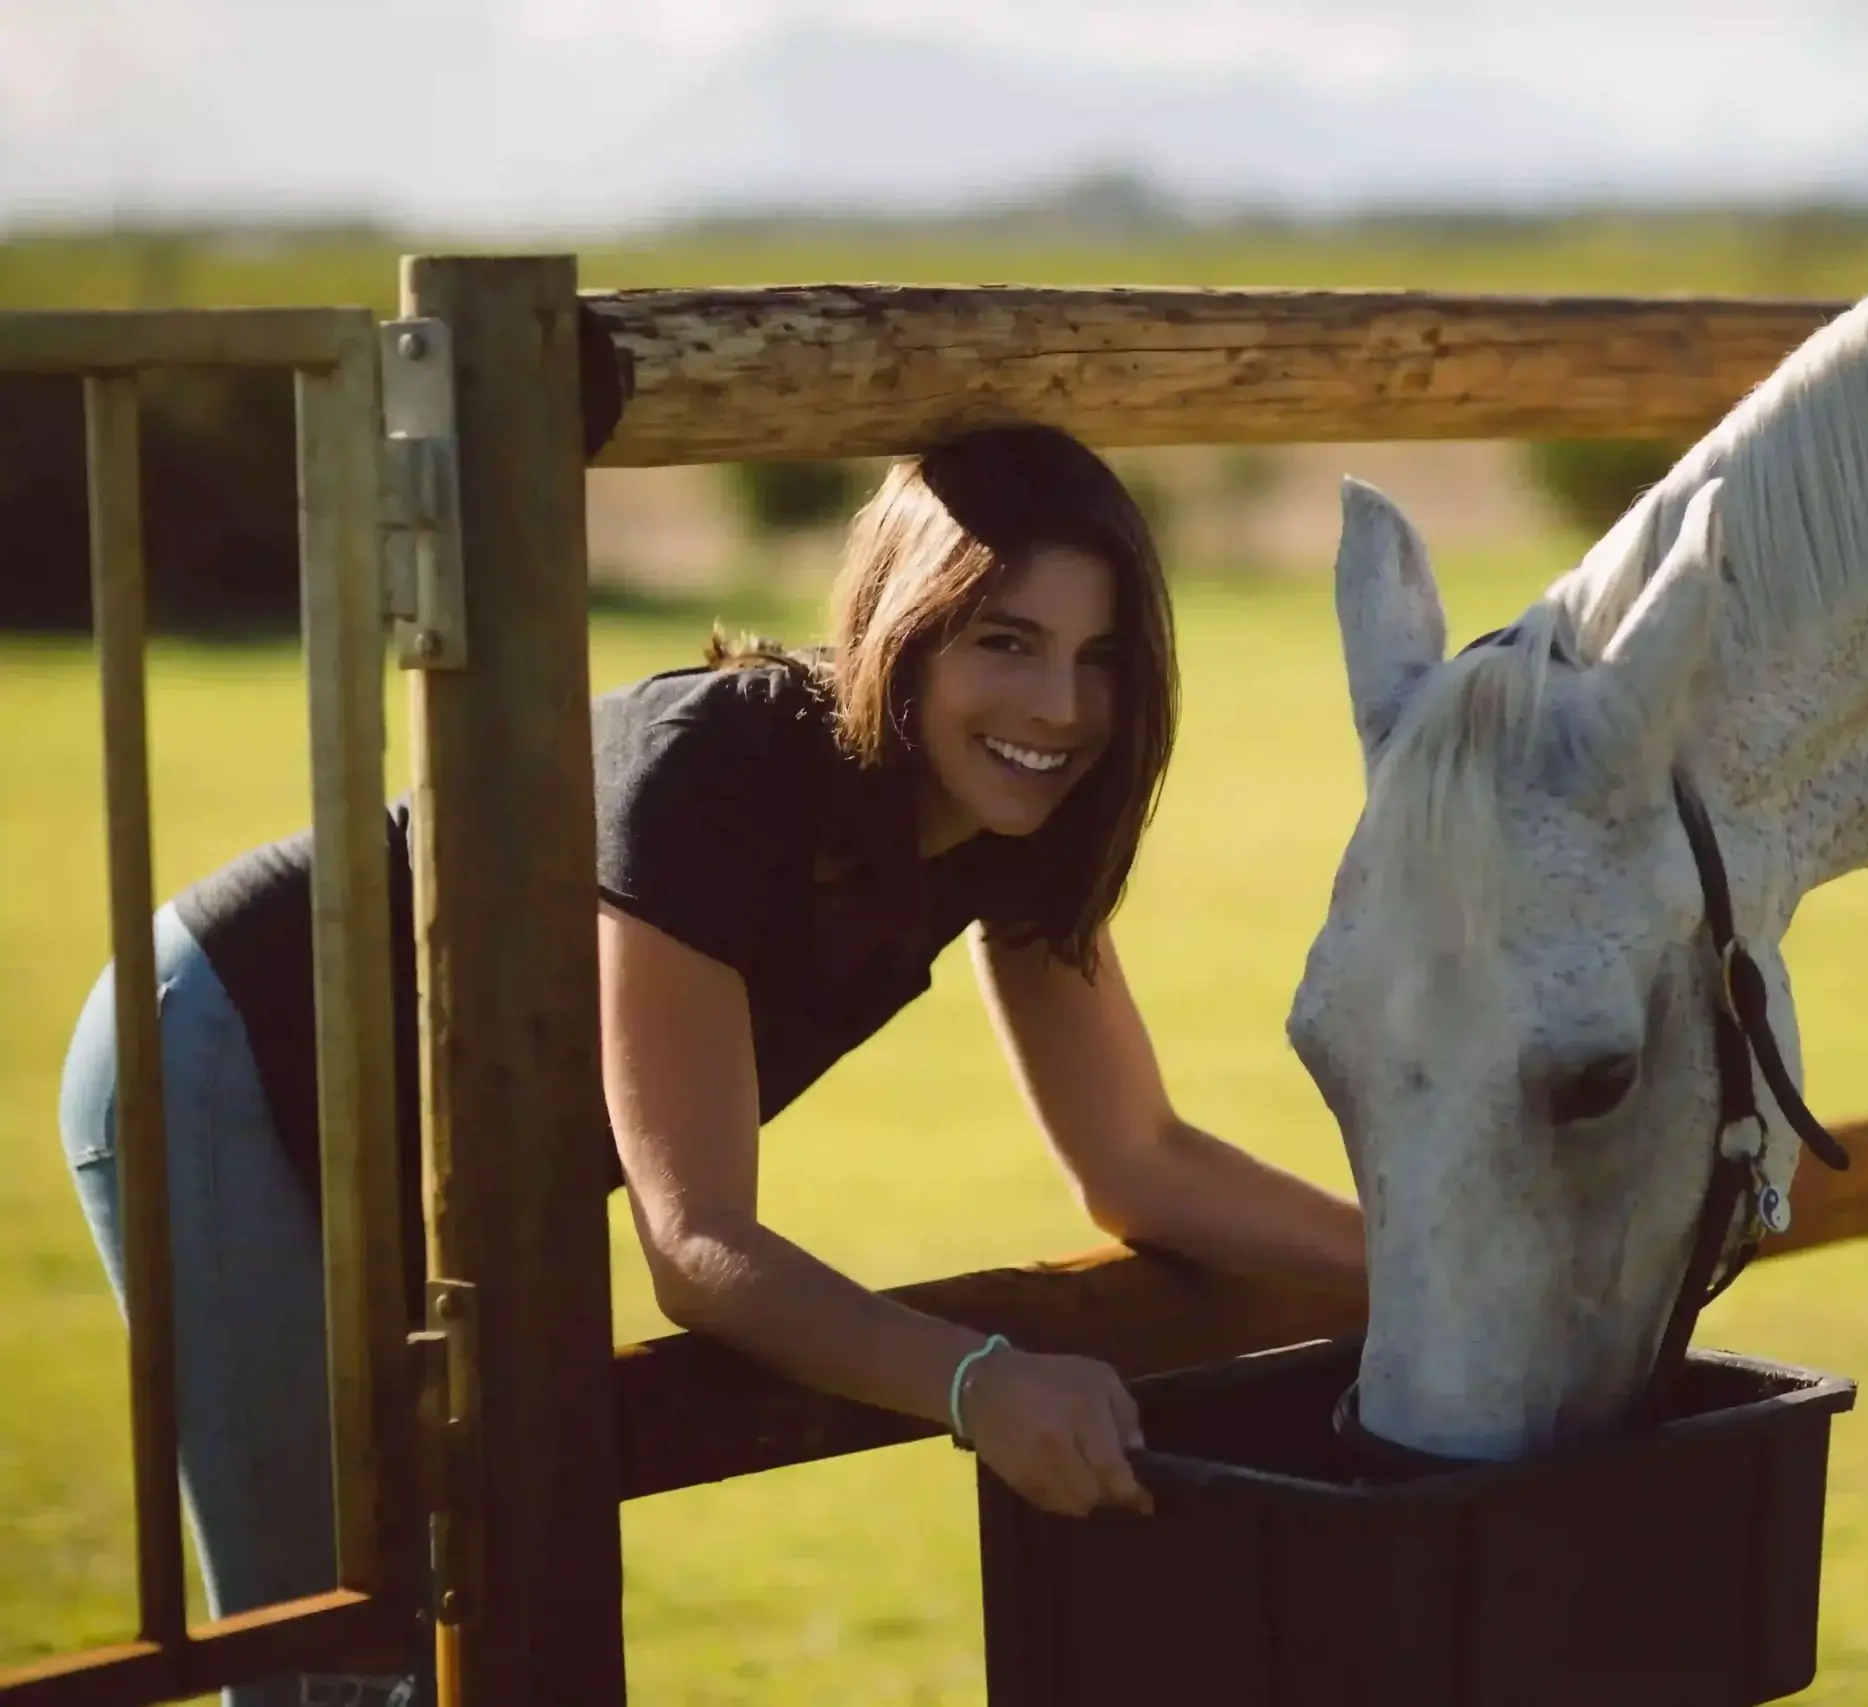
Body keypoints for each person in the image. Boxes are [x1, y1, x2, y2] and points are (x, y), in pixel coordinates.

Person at [58, 423, 1367, 1707]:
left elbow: (1137, 1156)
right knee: (338, 1654)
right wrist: (980, 1380)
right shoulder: (715, 769)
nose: (1059, 708)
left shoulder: (1015, 825)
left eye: (1101, 657)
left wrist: (1415, 1263)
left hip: (435, 1141)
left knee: (458, 1626)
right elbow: (697, 1248)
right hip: (225, 1053)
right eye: (1006, 642)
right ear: (904, 627)